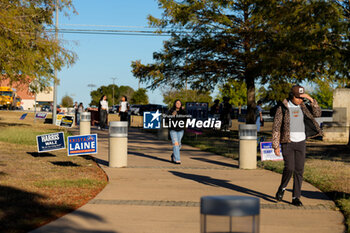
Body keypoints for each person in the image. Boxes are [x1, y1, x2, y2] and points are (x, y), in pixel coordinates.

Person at [272, 85, 322, 206]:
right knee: (289, 168)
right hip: (287, 142)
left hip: (301, 142)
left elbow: (318, 113)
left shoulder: (303, 107)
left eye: (302, 98)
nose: (300, 100)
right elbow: (276, 127)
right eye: (298, 97)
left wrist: (310, 99)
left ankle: (296, 197)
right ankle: (282, 187)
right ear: (291, 96)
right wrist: (276, 145)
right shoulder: (283, 108)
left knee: (299, 170)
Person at [168, 99, 187, 164]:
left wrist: (184, 112)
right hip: (173, 129)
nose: (178, 104)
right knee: (175, 144)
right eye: (177, 103)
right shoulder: (171, 111)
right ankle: (177, 159)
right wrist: (172, 115)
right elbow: (166, 119)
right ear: (175, 104)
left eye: (179, 103)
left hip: (180, 130)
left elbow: (186, 119)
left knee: (179, 144)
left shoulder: (183, 111)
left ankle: (173, 155)